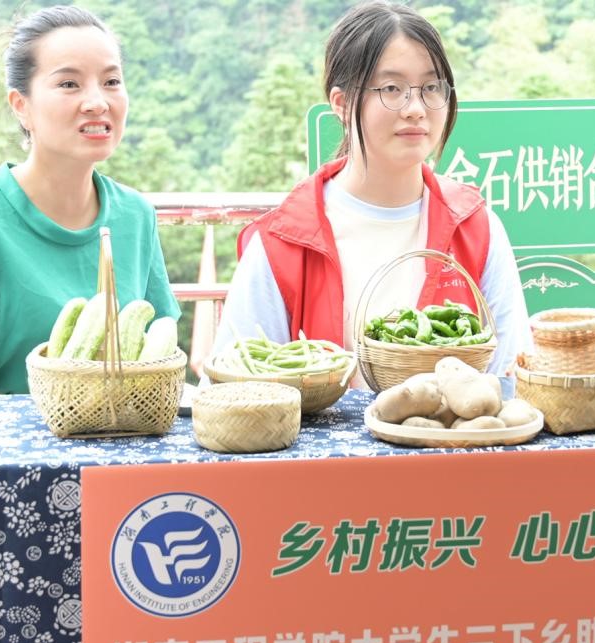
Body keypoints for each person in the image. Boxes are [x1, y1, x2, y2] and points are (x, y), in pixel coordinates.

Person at [212, 0, 530, 383]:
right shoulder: (283, 242)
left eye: (431, 87)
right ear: (342, 104)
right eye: (392, 88)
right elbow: (234, 388)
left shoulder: (476, 227)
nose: (416, 108)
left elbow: (512, 378)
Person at [0, 6, 180, 396]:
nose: (97, 102)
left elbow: (160, 365)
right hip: (6, 439)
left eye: (111, 81)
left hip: (123, 434)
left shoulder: (135, 217)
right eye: (69, 84)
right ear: (21, 105)